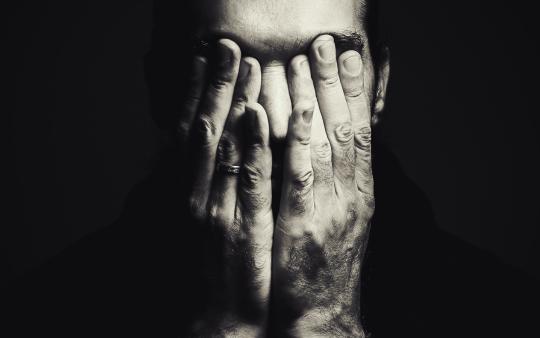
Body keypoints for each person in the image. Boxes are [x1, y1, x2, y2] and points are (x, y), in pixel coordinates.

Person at [6, 1, 539, 337]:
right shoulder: (39, 316)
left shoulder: (507, 315)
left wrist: (326, 325)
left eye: (325, 63)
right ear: (163, 89)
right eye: (231, 62)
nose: (283, 120)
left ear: (377, 87)